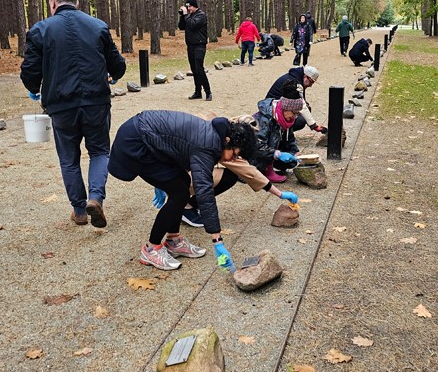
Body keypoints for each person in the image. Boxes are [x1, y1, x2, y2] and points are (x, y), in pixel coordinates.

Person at [20, 0, 126, 228]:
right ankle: (96, 198)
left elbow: (30, 70)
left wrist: (34, 89)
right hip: (96, 102)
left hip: (60, 105)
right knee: (99, 151)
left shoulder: (40, 30)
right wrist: (114, 76)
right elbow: (117, 64)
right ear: (76, 3)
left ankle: (79, 210)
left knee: (69, 158)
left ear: (53, 2)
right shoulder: (98, 26)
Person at [107, 110, 258, 271]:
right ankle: (151, 249)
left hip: (149, 137)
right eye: (234, 154)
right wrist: (217, 241)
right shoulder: (209, 145)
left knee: (183, 184)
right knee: (180, 194)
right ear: (228, 141)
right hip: (137, 142)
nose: (230, 160)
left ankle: (173, 241)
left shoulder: (217, 135)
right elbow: (204, 193)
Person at [167, 113, 299, 228]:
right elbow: (249, 172)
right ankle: (185, 207)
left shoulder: (221, 129)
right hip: (173, 171)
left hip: (172, 166)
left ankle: (183, 201)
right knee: (223, 177)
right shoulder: (220, 143)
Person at [253, 81, 306, 183]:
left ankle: (271, 165)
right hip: (253, 153)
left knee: (290, 163)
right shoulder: (266, 119)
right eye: (293, 113)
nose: (295, 117)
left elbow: (290, 138)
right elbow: (258, 144)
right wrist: (276, 154)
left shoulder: (286, 119)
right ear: (285, 108)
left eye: (297, 113)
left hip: (271, 149)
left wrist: (294, 151)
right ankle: (266, 170)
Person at [265, 65, 327, 134]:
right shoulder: (296, 84)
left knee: (307, 108)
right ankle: (282, 132)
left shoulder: (294, 77)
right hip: (272, 112)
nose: (310, 85)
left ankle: (285, 131)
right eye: (311, 82)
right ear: (305, 76)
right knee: (301, 120)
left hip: (272, 107)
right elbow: (302, 107)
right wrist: (314, 126)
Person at [179, 0, 212, 101]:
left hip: (199, 45)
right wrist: (182, 16)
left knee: (199, 68)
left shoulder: (201, 15)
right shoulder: (189, 16)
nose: (188, 8)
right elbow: (181, 27)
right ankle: (198, 91)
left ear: (195, 6)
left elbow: (192, 25)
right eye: (187, 7)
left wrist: (186, 15)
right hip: (190, 45)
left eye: (190, 6)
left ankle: (208, 92)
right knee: (194, 69)